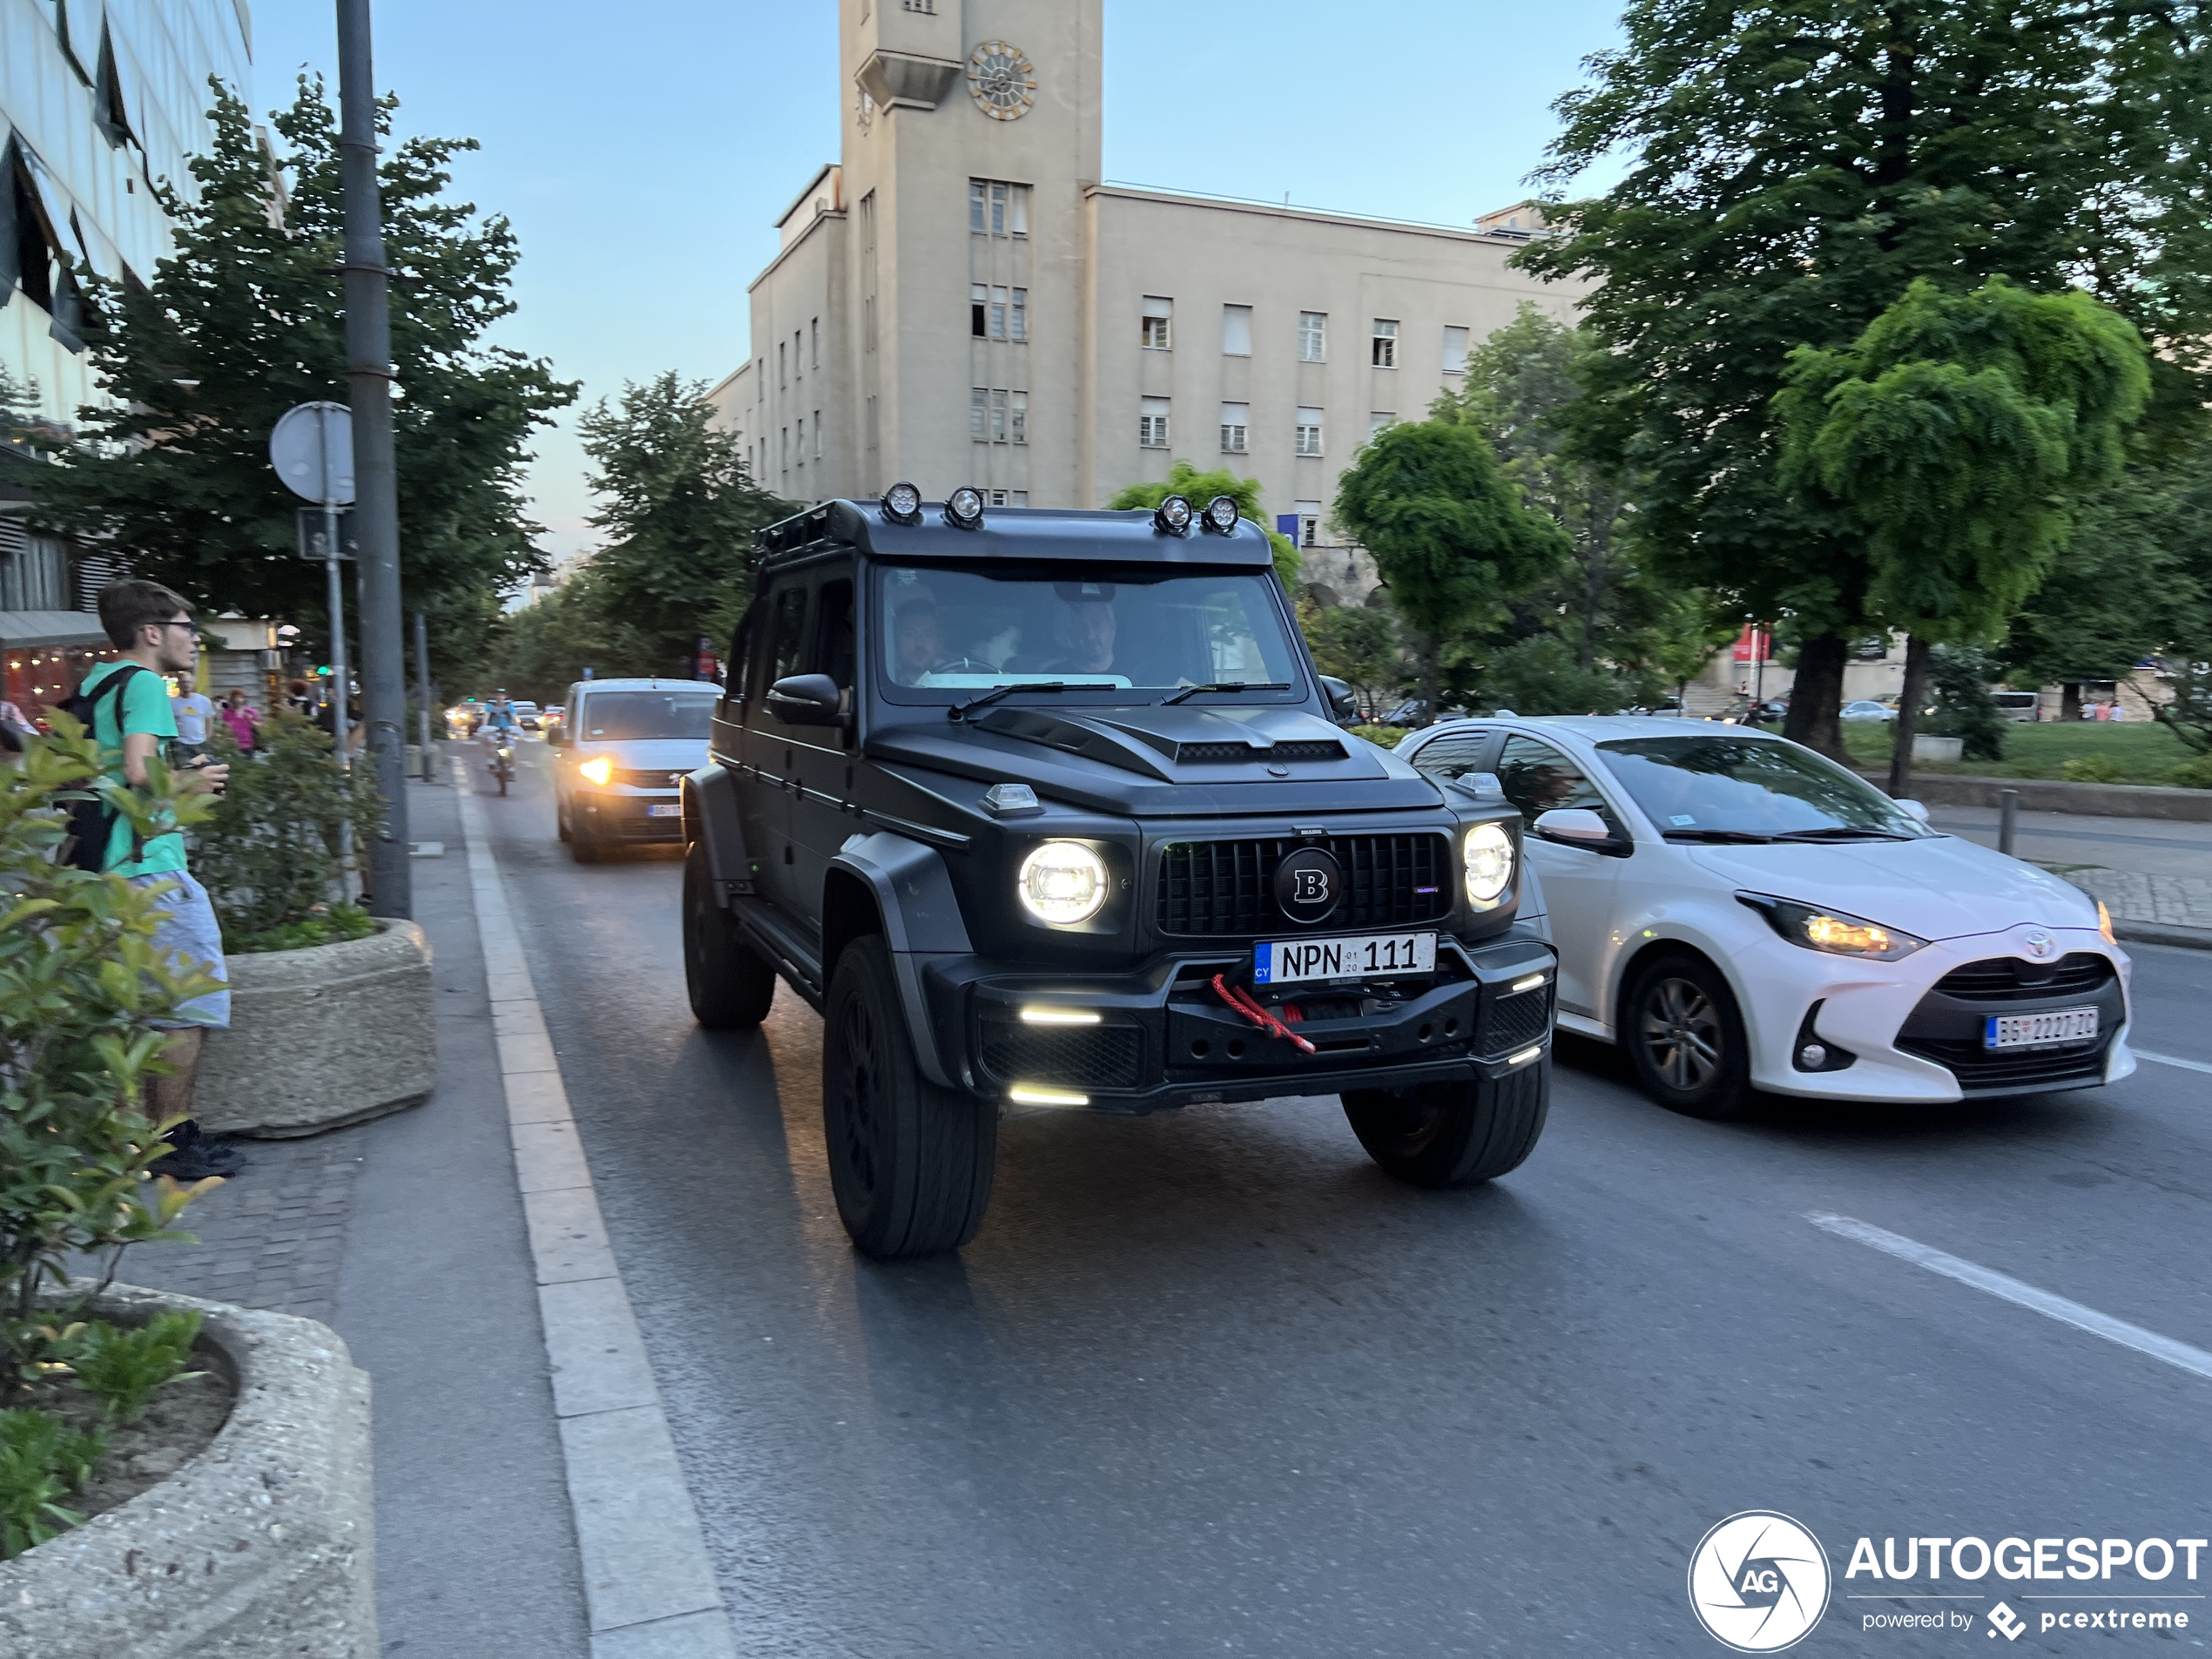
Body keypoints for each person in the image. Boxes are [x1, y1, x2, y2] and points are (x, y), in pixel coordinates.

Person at [84, 579, 242, 1181]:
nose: (193, 639)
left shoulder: (99, 682)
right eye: (185, 627)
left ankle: (140, 1143)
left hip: (108, 869)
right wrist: (193, 784)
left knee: (136, 1010)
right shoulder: (148, 682)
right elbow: (134, 773)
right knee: (184, 1008)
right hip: (152, 866)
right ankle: (174, 1143)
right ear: (152, 632)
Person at [171, 679, 215, 762]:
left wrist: (208, 736)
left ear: (193, 683)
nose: (186, 685)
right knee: (185, 768)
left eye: (189, 682)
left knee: (205, 768)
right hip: (180, 743)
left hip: (201, 742)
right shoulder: (172, 702)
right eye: (183, 682)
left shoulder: (204, 701)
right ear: (178, 684)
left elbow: (209, 719)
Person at [219, 688, 260, 752]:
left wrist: (251, 722)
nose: (238, 700)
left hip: (249, 745)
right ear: (232, 699)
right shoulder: (227, 713)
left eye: (241, 697)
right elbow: (225, 729)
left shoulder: (251, 712)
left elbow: (258, 726)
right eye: (236, 697)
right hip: (233, 746)